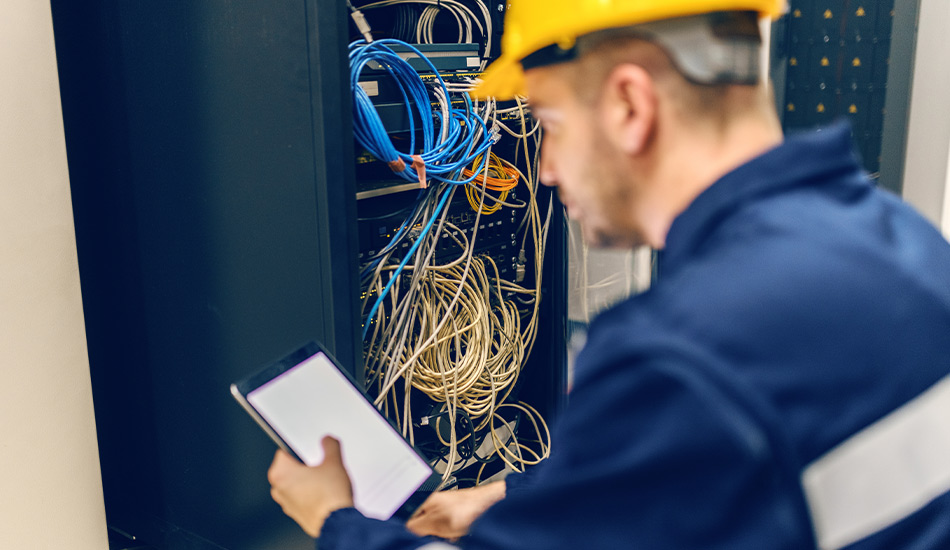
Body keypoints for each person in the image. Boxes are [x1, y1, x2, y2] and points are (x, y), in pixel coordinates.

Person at [267, 0, 950, 548]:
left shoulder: (682, 349)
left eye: (550, 126)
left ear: (630, 105)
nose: (544, 168)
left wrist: (337, 521)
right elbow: (725, 467)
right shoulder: (901, 241)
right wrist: (506, 498)